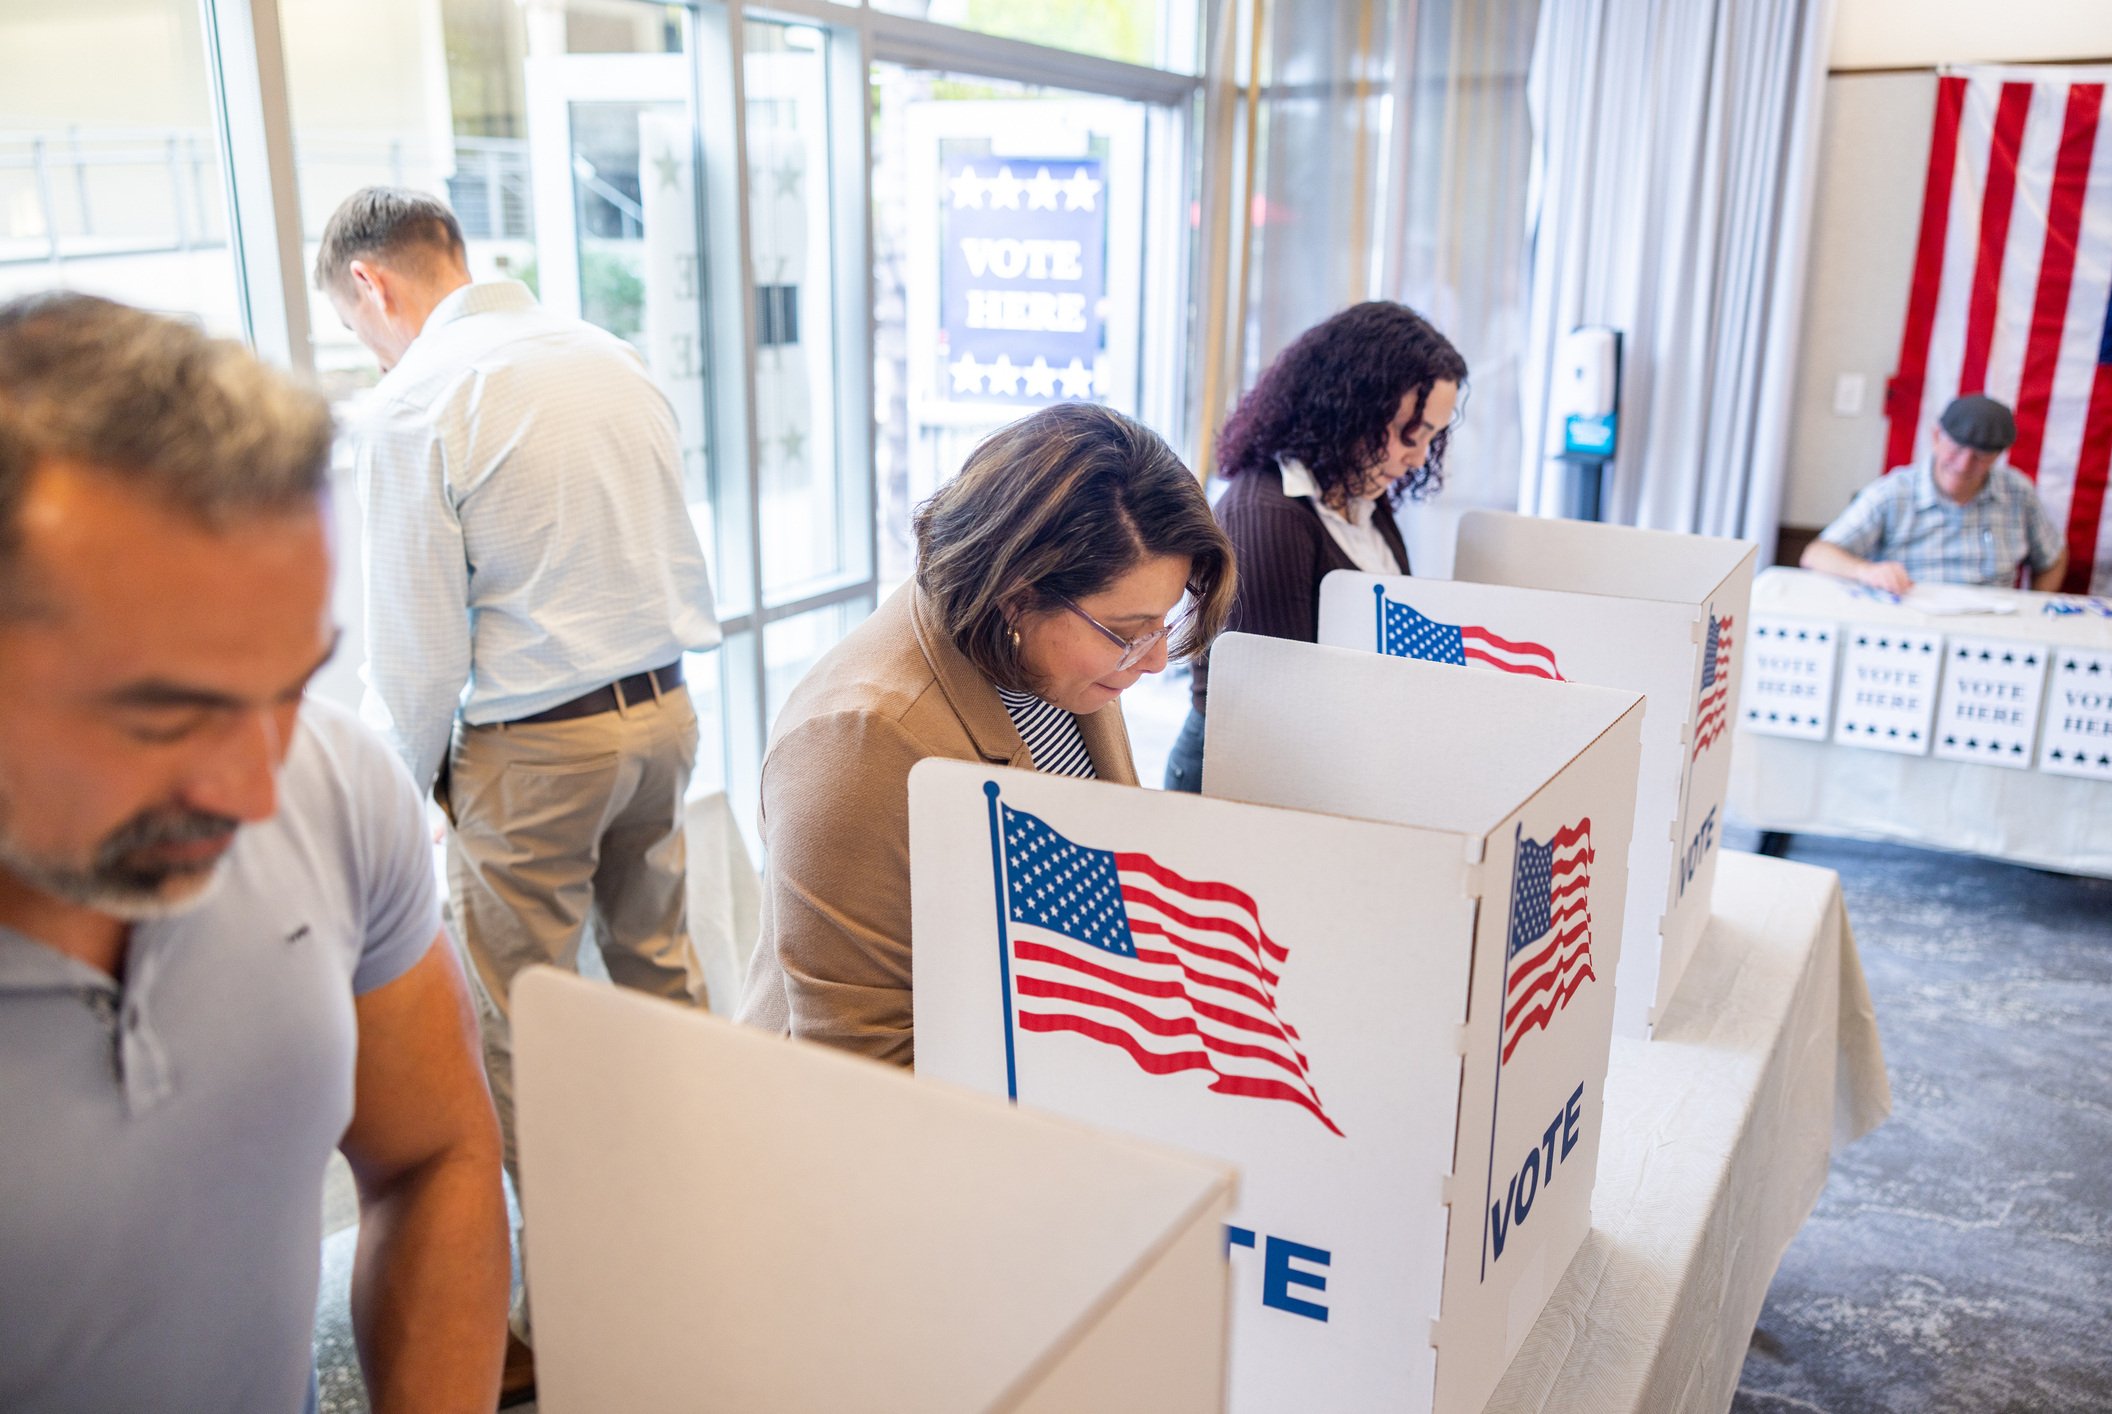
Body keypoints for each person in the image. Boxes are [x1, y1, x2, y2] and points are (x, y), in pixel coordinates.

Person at [0, 293, 507, 1411]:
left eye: (289, 684)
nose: (250, 786)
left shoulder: (335, 786)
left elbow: (434, 1161)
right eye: (162, 715)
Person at [316, 185, 721, 1386]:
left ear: (368, 288)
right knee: (658, 983)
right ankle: (695, 1244)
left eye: (352, 324)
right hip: (662, 714)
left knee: (515, 1027)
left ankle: (555, 1316)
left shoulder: (413, 402)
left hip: (530, 750)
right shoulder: (609, 356)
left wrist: (417, 791)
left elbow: (415, 651)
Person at [736, 402, 1235, 1065]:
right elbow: (862, 1066)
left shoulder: (1060, 658)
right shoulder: (857, 743)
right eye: (1129, 631)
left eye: (1161, 625)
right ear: (1016, 595)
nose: (1151, 659)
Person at [1164, 301, 1466, 792]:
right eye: (1410, 432)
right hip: (1248, 781)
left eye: (1431, 437)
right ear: (1352, 406)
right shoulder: (1266, 516)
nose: (1417, 457)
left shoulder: (1364, 497)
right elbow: (1281, 720)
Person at [1801, 393, 2066, 594]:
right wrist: (1867, 571)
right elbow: (1817, 554)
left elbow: (2053, 557)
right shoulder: (1894, 493)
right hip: (1910, 624)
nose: (1963, 465)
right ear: (1937, 437)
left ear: (1998, 455)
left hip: (1991, 626)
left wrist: (2034, 607)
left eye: (1980, 456)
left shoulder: (2018, 493)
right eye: (1957, 449)